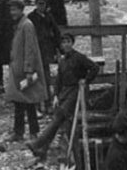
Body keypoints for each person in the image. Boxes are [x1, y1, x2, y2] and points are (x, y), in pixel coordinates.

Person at [28, 32, 98, 160]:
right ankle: (43, 149)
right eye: (63, 42)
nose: (66, 45)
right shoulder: (63, 60)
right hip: (64, 92)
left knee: (59, 116)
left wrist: (85, 80)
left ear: (72, 43)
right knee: (59, 118)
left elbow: (94, 68)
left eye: (68, 42)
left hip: (76, 92)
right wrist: (55, 95)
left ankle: (39, 144)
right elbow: (58, 80)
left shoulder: (79, 57)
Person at [5, 0, 46, 141]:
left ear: (21, 10)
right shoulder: (19, 25)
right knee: (19, 102)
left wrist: (29, 69)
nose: (12, 13)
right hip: (18, 70)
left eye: (14, 9)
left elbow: (30, 49)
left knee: (29, 102)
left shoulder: (27, 25)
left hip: (25, 70)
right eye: (11, 10)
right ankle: (18, 132)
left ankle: (33, 132)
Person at [27, 0, 60, 111]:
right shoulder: (31, 18)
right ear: (36, 4)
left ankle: (47, 103)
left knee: (46, 77)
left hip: (46, 50)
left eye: (43, 4)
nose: (41, 6)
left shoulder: (49, 17)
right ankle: (36, 105)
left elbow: (56, 32)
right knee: (35, 77)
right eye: (39, 4)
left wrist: (58, 48)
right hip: (35, 51)